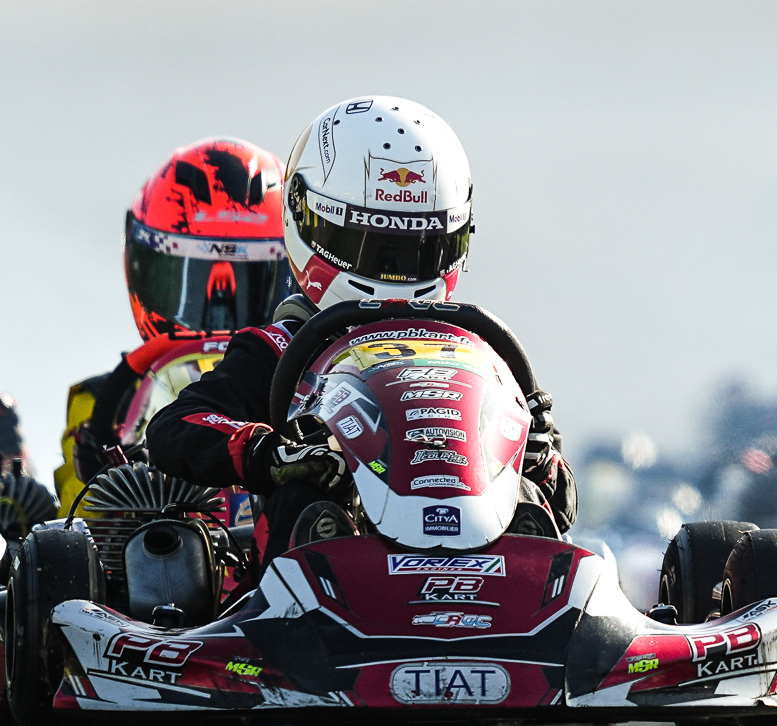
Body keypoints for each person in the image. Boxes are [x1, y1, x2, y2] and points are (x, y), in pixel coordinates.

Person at [142, 96, 573, 536]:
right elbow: (172, 429)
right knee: (301, 495)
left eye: (421, 250)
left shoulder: (484, 361)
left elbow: (562, 504)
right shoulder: (282, 351)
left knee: (528, 500)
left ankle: (523, 565)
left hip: (483, 563)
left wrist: (539, 461)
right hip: (336, 564)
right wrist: (271, 453)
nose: (397, 273)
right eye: (370, 247)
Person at [58, 139, 290, 508]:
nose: (219, 317)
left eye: (251, 284)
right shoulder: (105, 403)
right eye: (193, 284)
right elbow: (80, 520)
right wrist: (101, 467)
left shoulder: (320, 382)